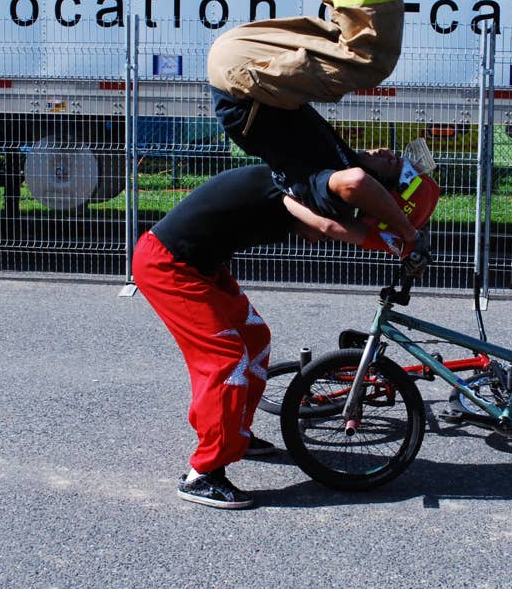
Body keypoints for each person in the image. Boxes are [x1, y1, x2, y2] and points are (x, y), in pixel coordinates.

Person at [132, 150, 437, 510]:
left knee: (256, 338)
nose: (383, 153)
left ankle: (236, 437)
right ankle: (203, 473)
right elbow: (326, 226)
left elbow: (327, 227)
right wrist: (401, 242)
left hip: (202, 266)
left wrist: (395, 235)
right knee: (226, 360)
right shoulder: (302, 179)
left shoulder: (322, 181)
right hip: (169, 265)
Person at [207, 0, 428, 263]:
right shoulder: (337, 158)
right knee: (349, 28)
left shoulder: (328, 188)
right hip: (242, 63)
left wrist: (407, 233)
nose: (391, 154)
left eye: (394, 166)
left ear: (382, 191)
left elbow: (352, 191)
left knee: (370, 59)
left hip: (241, 77)